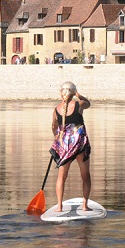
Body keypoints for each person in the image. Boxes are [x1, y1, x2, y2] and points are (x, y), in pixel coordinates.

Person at [51, 81, 92, 212]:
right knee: (85, 175)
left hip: (65, 145)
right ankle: (84, 205)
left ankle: (59, 207)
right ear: (73, 93)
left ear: (61, 93)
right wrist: (78, 95)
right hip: (80, 144)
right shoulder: (79, 104)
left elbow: (54, 127)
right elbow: (88, 103)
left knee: (61, 177)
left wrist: (57, 137)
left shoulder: (56, 109)